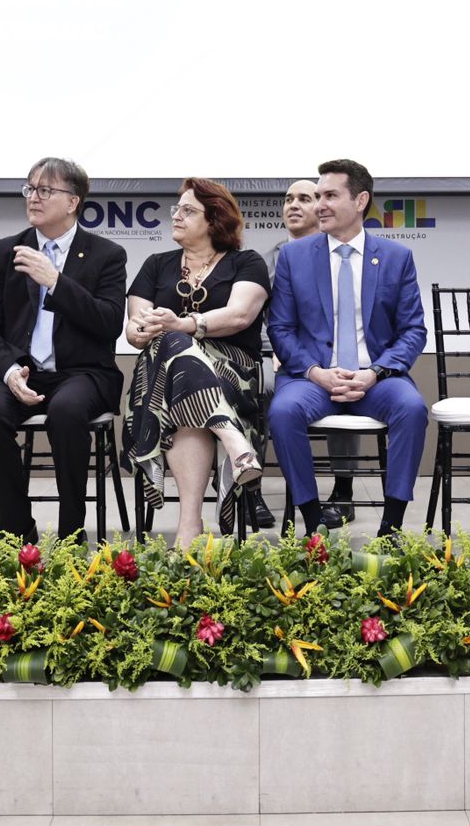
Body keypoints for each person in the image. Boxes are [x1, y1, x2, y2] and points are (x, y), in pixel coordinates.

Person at [0, 157, 127, 545]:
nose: (33, 198)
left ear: (73, 202)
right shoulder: (5, 251)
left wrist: (56, 282)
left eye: (45, 190)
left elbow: (109, 323)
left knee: (67, 412)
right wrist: (8, 371)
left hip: (82, 373)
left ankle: (72, 530)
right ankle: (18, 526)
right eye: (30, 189)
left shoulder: (107, 254)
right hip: (18, 370)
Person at [268, 159, 428, 536]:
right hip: (313, 378)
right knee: (283, 412)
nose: (320, 204)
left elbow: (413, 331)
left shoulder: (396, 257)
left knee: (412, 409)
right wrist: (315, 372)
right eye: (318, 196)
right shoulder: (295, 256)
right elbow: (281, 328)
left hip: (376, 378)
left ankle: (391, 527)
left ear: (360, 201)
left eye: (330, 195)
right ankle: (311, 524)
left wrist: (375, 372)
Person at [124, 178, 269, 545]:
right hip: (164, 373)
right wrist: (144, 329)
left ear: (215, 219)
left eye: (188, 210)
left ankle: (188, 525)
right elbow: (134, 328)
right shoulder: (156, 264)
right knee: (172, 346)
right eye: (176, 209)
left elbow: (239, 316)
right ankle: (232, 439)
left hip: (232, 369)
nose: (176, 216)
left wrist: (184, 325)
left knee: (178, 349)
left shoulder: (246, 262)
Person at [255, 179, 360, 528]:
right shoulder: (268, 260)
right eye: (288, 199)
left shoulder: (342, 254)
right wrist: (273, 352)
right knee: (259, 386)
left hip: (326, 358)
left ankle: (343, 490)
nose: (293, 205)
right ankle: (250, 490)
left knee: (346, 383)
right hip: (271, 354)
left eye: (305, 198)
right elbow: (255, 318)